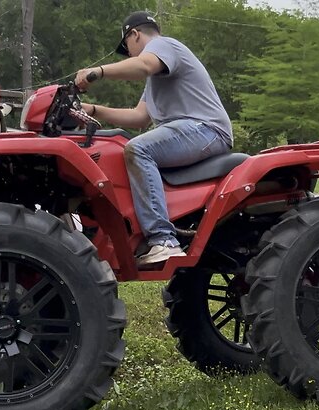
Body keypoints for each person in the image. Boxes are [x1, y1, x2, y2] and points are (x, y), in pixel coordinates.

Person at [75, 11, 233, 267]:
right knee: (129, 146)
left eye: (127, 48)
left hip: (206, 129)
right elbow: (138, 118)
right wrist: (91, 109)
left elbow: (144, 65)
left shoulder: (163, 45)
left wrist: (98, 71)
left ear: (134, 35)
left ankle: (163, 241)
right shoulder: (157, 75)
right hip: (192, 132)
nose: (130, 55)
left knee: (138, 149)